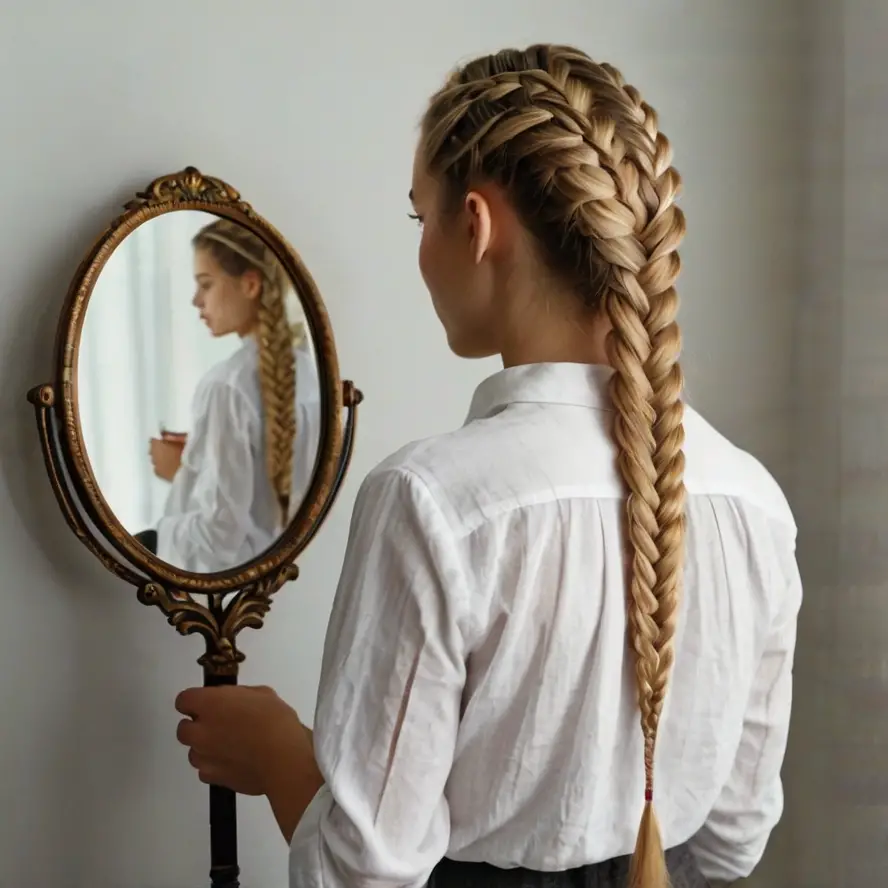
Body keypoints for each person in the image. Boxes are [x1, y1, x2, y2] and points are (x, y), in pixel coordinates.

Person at [173, 44, 801, 888]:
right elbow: (733, 843)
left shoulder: (434, 504)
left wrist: (280, 752)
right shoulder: (751, 502)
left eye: (419, 218)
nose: (421, 249)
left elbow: (360, 876)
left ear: (478, 223)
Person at [142, 218, 321, 572]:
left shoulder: (226, 387)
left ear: (250, 284)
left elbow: (218, 538)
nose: (196, 301)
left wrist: (180, 473)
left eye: (205, 285)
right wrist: (203, 459)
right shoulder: (313, 374)